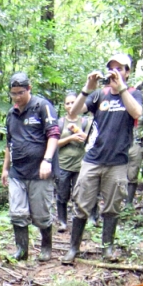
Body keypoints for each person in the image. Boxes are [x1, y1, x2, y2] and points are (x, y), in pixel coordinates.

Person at [61, 53, 143, 264]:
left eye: (120, 69)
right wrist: (87, 88)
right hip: (92, 159)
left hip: (117, 161)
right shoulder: (99, 95)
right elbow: (74, 112)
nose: (115, 72)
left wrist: (122, 88)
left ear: (128, 72)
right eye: (112, 68)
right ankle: (73, 249)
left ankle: (107, 249)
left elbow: (136, 114)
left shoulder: (134, 94)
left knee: (112, 206)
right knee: (81, 203)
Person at [0, 72, 60, 262]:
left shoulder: (42, 107)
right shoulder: (11, 114)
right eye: (13, 93)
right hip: (18, 172)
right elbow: (9, 144)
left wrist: (47, 160)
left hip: (39, 172)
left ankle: (46, 247)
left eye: (20, 93)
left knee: (41, 214)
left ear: (29, 89)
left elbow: (53, 134)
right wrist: (5, 168)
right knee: (17, 212)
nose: (17, 97)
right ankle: (22, 250)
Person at [55, 92, 91, 232]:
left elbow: (92, 141)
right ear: (64, 106)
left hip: (81, 165)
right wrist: (70, 139)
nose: (70, 105)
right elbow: (54, 143)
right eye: (68, 103)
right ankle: (62, 221)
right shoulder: (60, 122)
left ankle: (78, 222)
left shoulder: (85, 122)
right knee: (62, 194)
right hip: (63, 164)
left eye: (73, 102)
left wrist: (80, 135)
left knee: (80, 195)